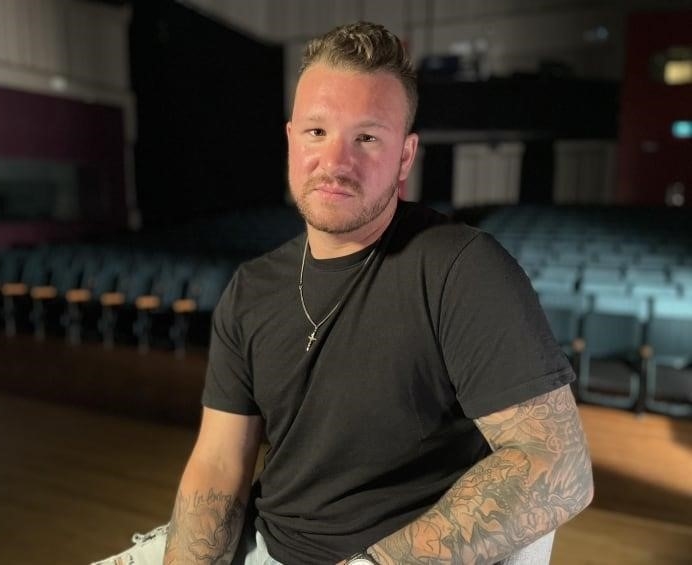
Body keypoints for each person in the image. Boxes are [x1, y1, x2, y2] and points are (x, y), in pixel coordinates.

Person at [147, 21, 593, 565]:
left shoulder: (463, 268)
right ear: (291, 140)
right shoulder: (251, 288)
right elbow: (219, 463)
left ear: (405, 157)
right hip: (267, 548)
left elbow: (557, 467)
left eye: (366, 137)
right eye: (317, 132)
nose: (335, 162)